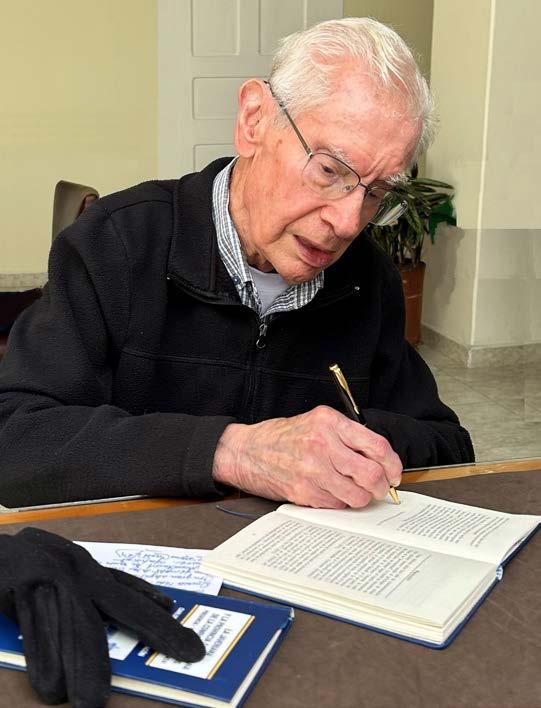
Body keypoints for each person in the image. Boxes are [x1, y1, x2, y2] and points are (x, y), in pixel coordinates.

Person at [0, 18, 473, 511]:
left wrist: (344, 442)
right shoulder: (115, 241)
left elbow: (449, 444)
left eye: (376, 192)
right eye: (330, 170)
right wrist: (233, 452)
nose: (348, 222)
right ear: (254, 120)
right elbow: (14, 438)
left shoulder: (368, 279)